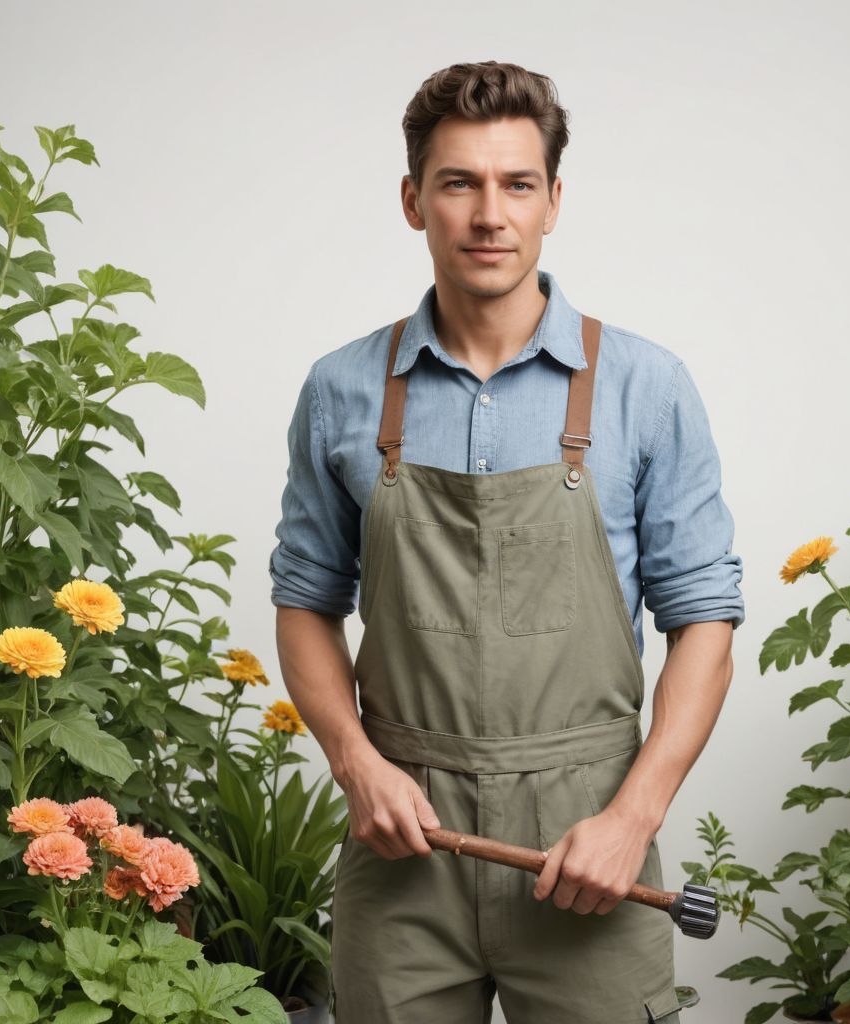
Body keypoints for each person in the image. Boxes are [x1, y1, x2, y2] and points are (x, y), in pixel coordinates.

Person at [269, 59, 745, 1024]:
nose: (490, 214)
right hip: (403, 846)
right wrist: (358, 766)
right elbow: (304, 605)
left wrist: (631, 820)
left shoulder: (646, 389)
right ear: (414, 201)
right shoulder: (342, 391)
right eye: (460, 183)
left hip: (587, 842)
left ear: (553, 200)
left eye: (516, 184)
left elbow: (706, 624)